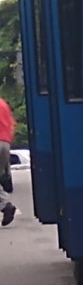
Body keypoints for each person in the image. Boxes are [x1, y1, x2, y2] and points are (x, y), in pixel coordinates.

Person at [0, 97, 17, 227]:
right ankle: (5, 205)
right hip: (5, 143)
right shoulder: (3, 104)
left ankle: (6, 205)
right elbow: (12, 125)